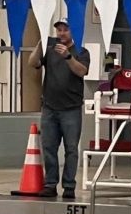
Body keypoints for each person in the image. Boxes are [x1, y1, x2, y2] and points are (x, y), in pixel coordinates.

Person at [28, 19, 90, 200]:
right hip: (50, 107)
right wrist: (40, 43)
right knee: (49, 147)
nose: (61, 33)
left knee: (71, 149)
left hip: (71, 108)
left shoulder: (81, 52)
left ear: (73, 32)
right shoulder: (50, 50)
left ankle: (69, 186)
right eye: (59, 30)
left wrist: (68, 57)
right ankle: (50, 184)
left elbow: (82, 71)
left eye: (65, 30)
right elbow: (32, 63)